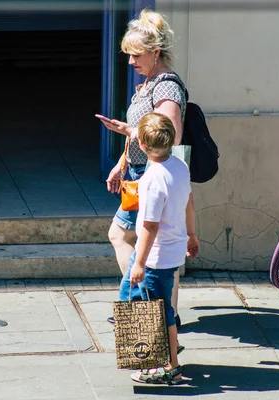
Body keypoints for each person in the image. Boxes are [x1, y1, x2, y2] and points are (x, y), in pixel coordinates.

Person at [96, 9, 187, 326]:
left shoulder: (165, 87)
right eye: (128, 55)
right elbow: (143, 130)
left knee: (127, 237)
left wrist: (128, 132)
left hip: (152, 176)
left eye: (136, 55)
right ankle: (161, 313)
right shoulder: (149, 83)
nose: (131, 62)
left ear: (155, 52)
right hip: (137, 173)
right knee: (135, 240)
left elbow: (169, 134)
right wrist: (121, 162)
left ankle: (147, 309)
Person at [118, 112, 199, 385]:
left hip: (157, 257)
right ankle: (156, 349)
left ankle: (170, 365)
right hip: (170, 249)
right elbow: (189, 203)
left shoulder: (153, 179)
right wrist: (192, 234)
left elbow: (150, 227)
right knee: (129, 294)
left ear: (141, 145)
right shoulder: (179, 166)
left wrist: (139, 263)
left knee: (159, 310)